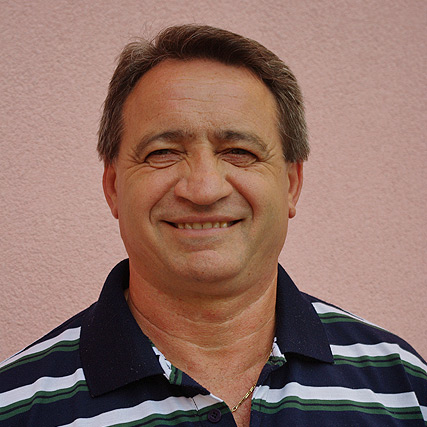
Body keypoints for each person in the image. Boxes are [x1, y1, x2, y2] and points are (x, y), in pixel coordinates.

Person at [0, 24, 425, 427]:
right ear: (113, 187)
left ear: (291, 185)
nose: (203, 189)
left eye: (239, 152)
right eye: (163, 152)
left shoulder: (405, 389)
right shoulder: (15, 405)